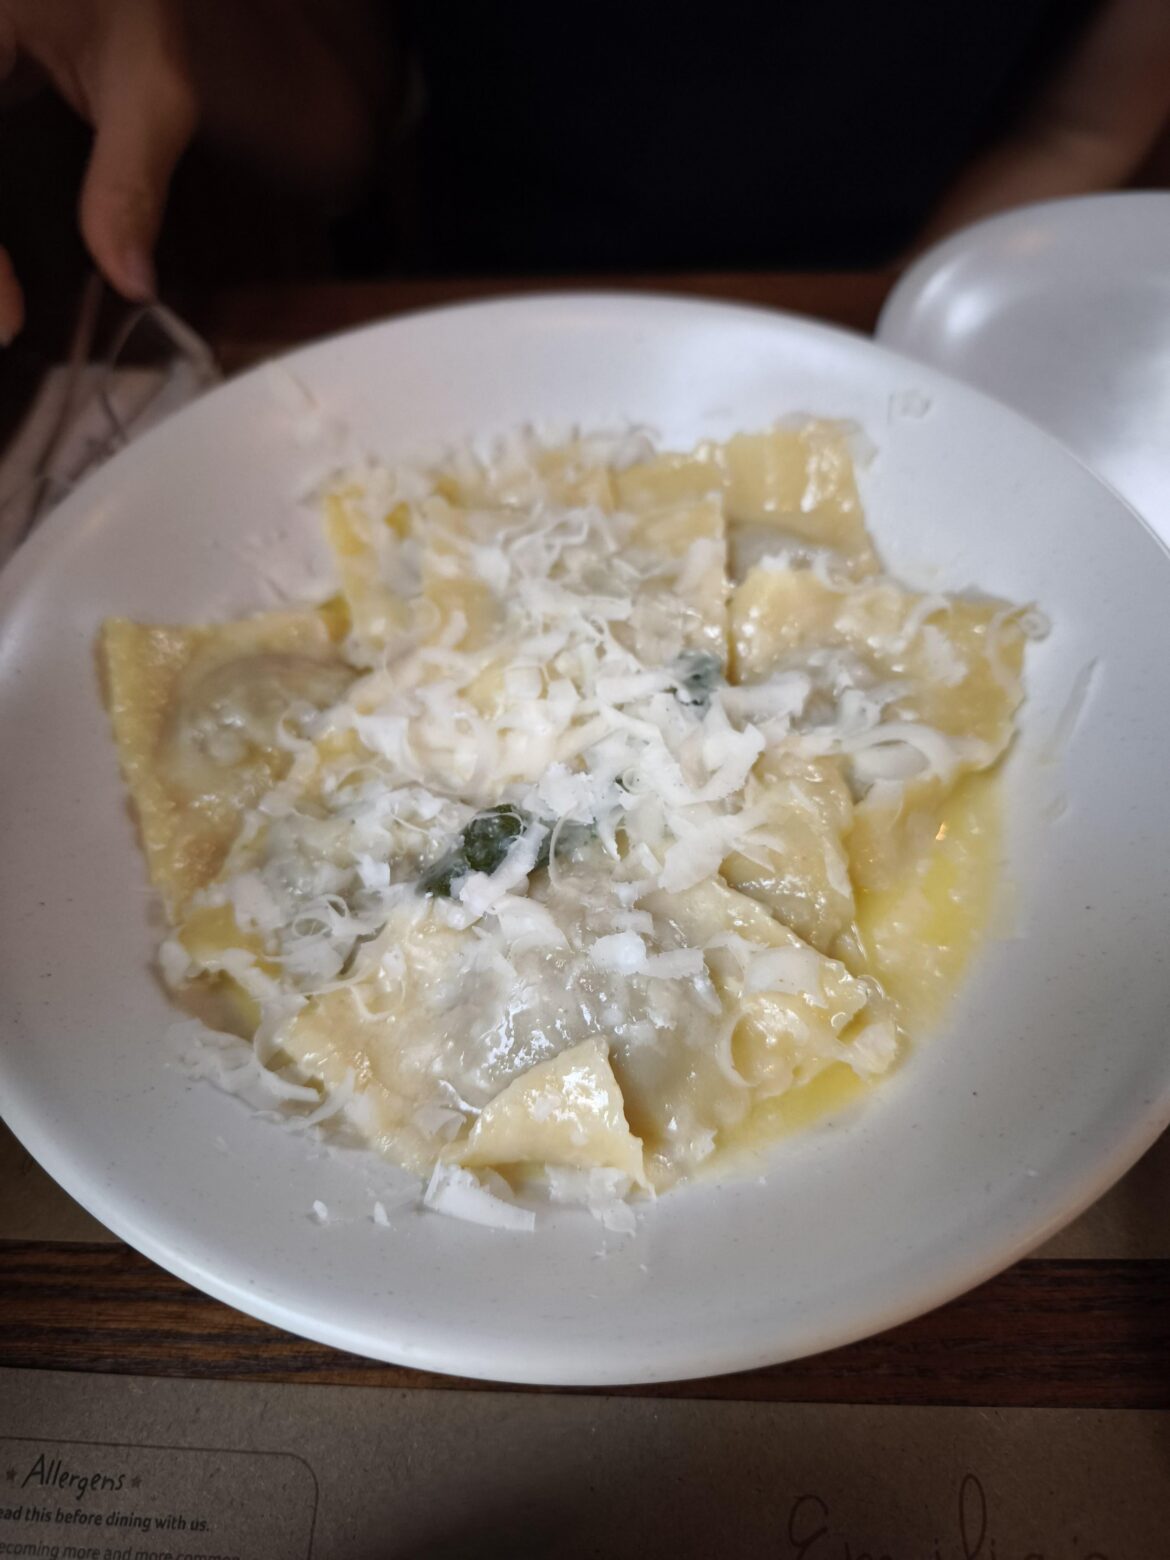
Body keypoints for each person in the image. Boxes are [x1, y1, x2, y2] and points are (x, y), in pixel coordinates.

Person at [2, 0, 1169, 345]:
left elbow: (1077, 129)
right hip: (457, 302)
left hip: (881, 298)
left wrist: (902, 329)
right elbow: (341, 117)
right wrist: (169, 27)